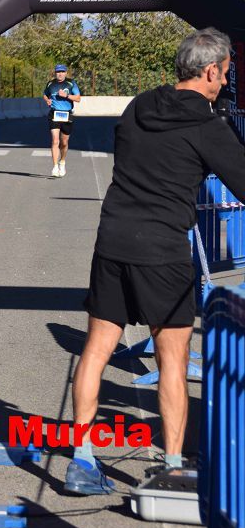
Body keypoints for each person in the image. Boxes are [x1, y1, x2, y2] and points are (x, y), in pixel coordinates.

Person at [66, 27, 245, 495]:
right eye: (226, 73)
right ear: (210, 71)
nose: (226, 82)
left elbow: (131, 152)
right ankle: (171, 465)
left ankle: (81, 460)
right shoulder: (208, 128)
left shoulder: (140, 105)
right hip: (163, 249)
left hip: (112, 238)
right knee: (172, 357)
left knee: (97, 348)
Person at [42, 64, 81, 177]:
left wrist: (66, 95)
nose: (60, 74)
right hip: (54, 113)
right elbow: (45, 95)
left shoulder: (71, 83)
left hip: (66, 114)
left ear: (66, 73)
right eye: (58, 72)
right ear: (55, 73)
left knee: (64, 142)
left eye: (62, 72)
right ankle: (55, 167)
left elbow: (78, 98)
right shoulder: (50, 84)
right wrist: (47, 100)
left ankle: (62, 162)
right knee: (55, 141)